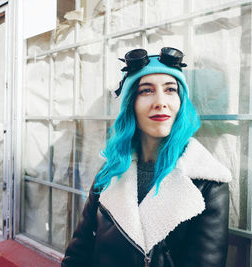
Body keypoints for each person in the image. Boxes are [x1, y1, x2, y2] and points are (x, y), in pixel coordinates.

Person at [62, 47, 232, 267]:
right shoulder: (109, 172)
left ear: (181, 103)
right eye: (146, 91)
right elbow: (78, 254)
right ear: (130, 104)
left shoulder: (208, 184)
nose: (160, 101)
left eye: (170, 90)